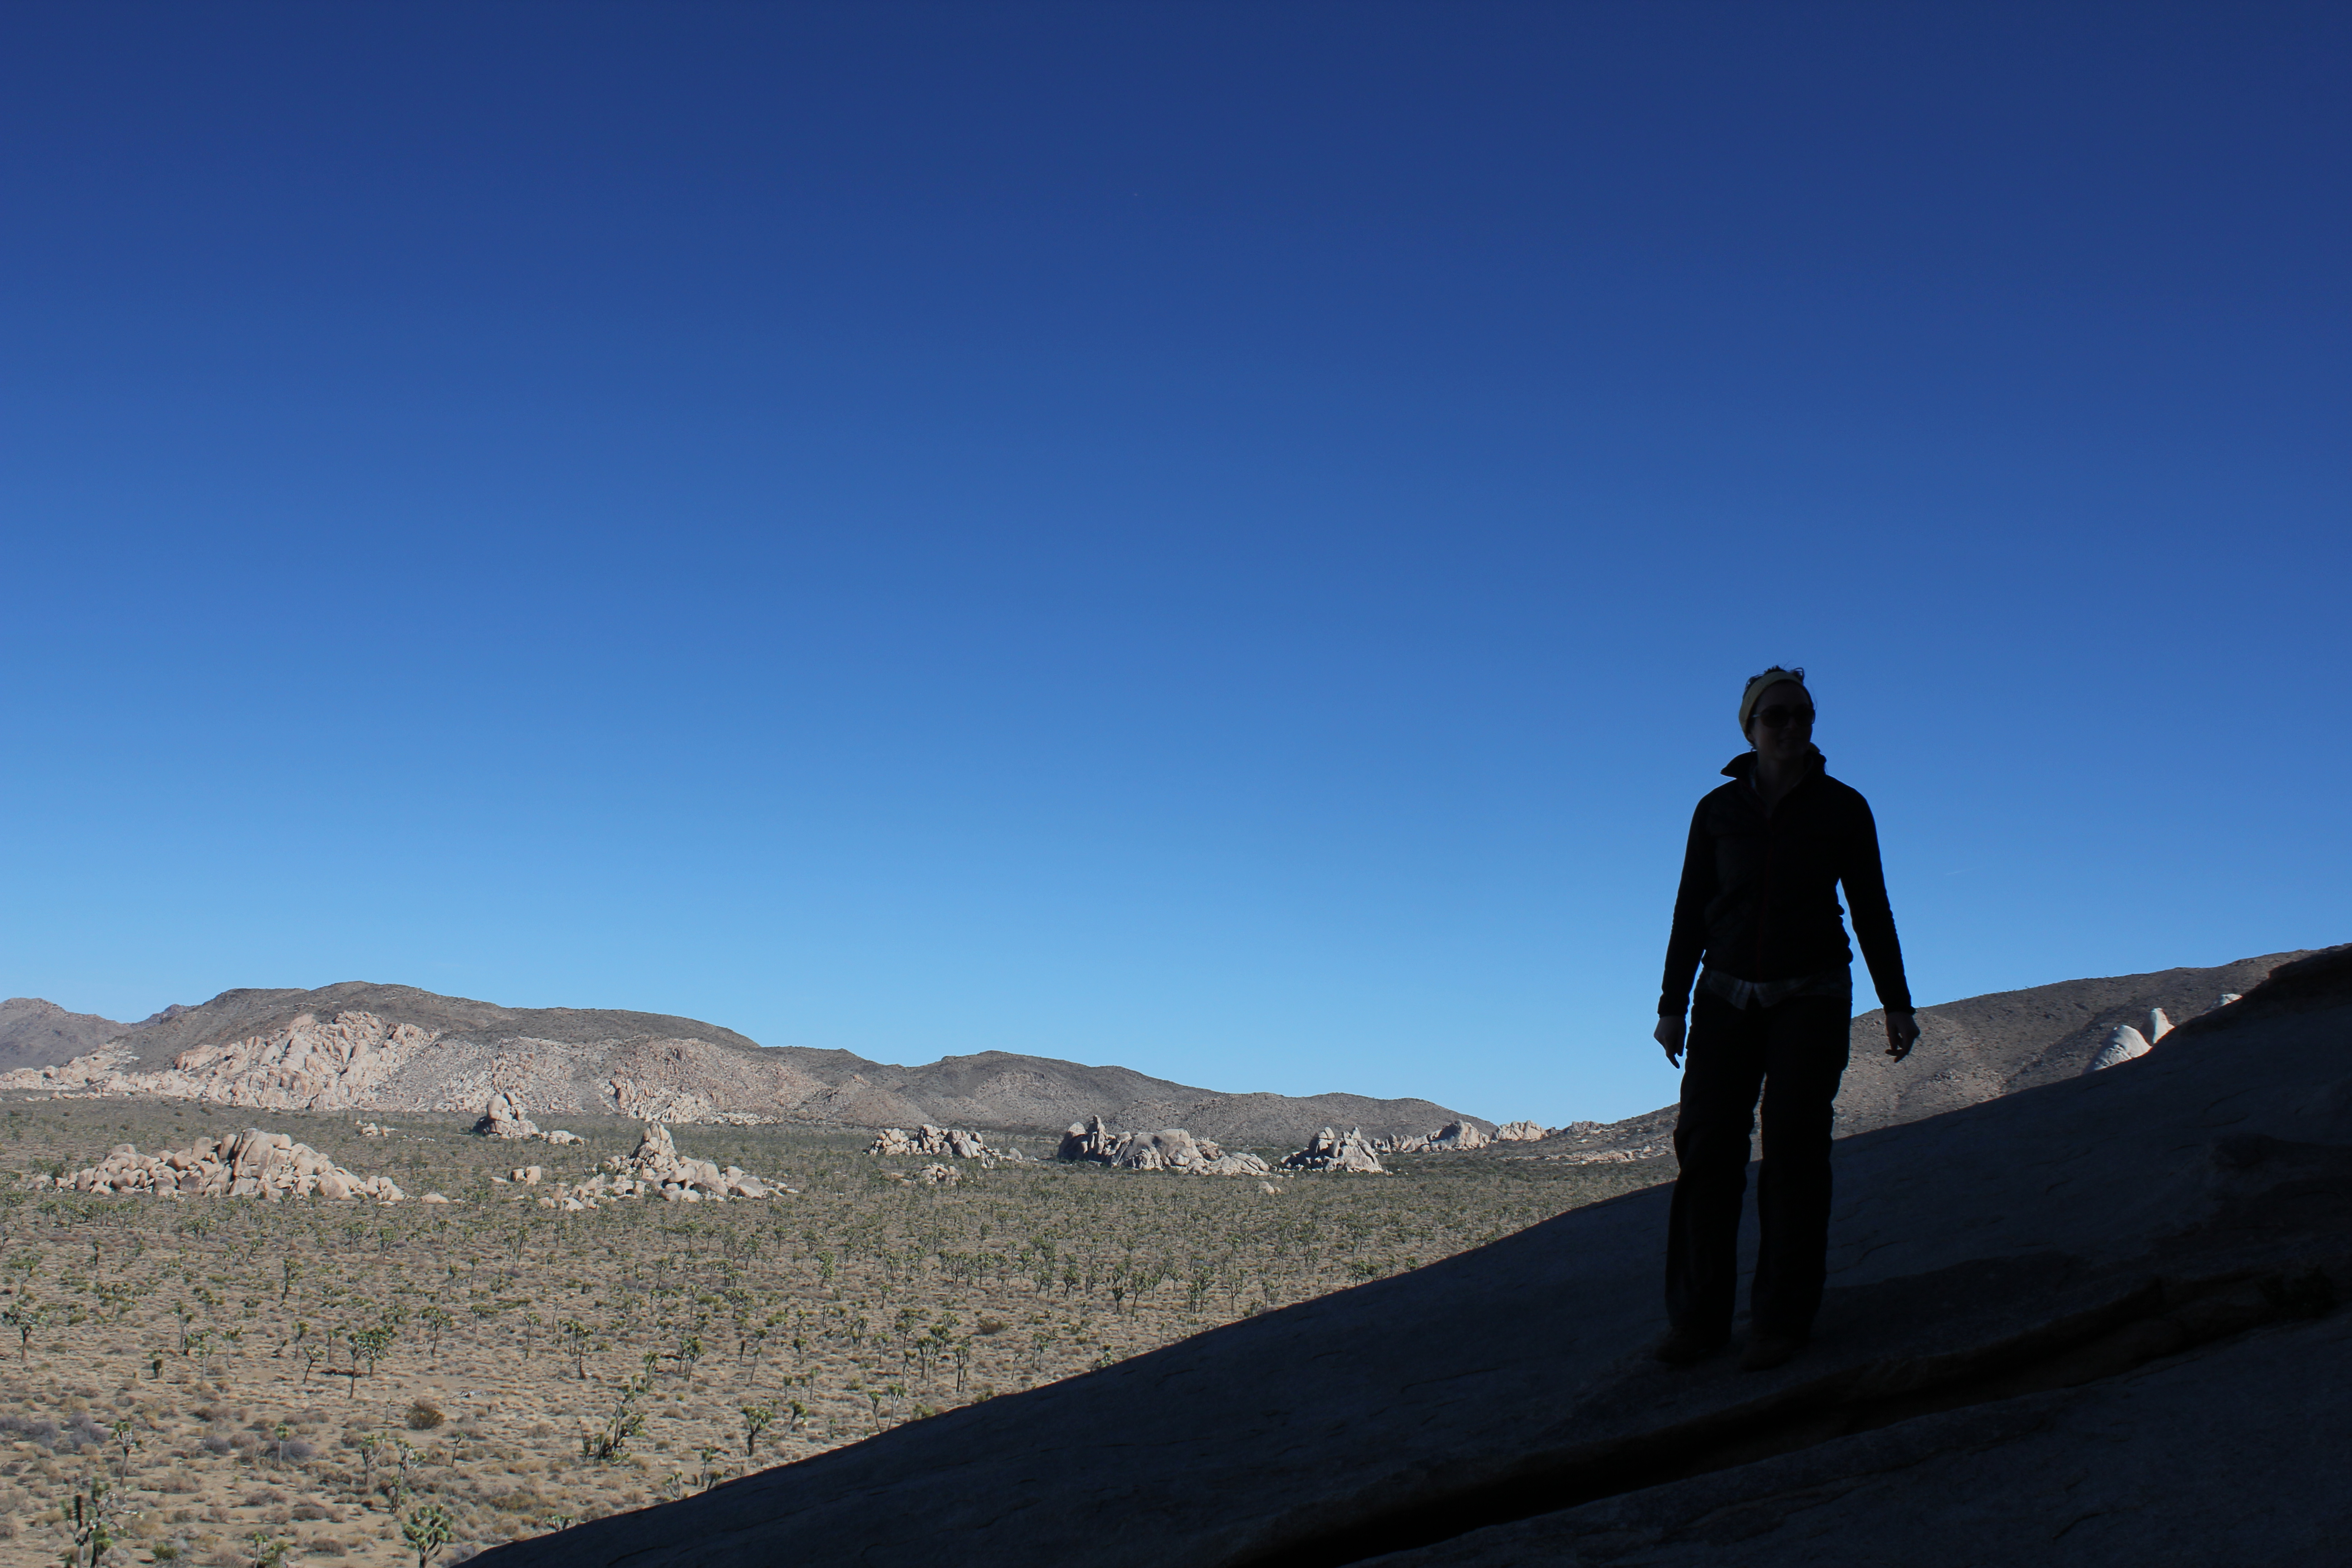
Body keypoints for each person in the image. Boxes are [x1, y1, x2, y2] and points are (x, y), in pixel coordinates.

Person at [1651, 666, 1920, 1372]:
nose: (1792, 726)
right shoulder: (1716, 811)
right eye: (1777, 716)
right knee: (1707, 1150)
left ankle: (1781, 1321)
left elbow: (1871, 906)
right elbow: (1690, 909)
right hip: (1723, 995)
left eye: (1802, 714)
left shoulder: (1843, 807)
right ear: (1750, 727)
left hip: (1812, 995)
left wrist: (1896, 1002)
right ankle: (1698, 1322)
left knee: (1796, 1153)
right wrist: (1672, 1005)